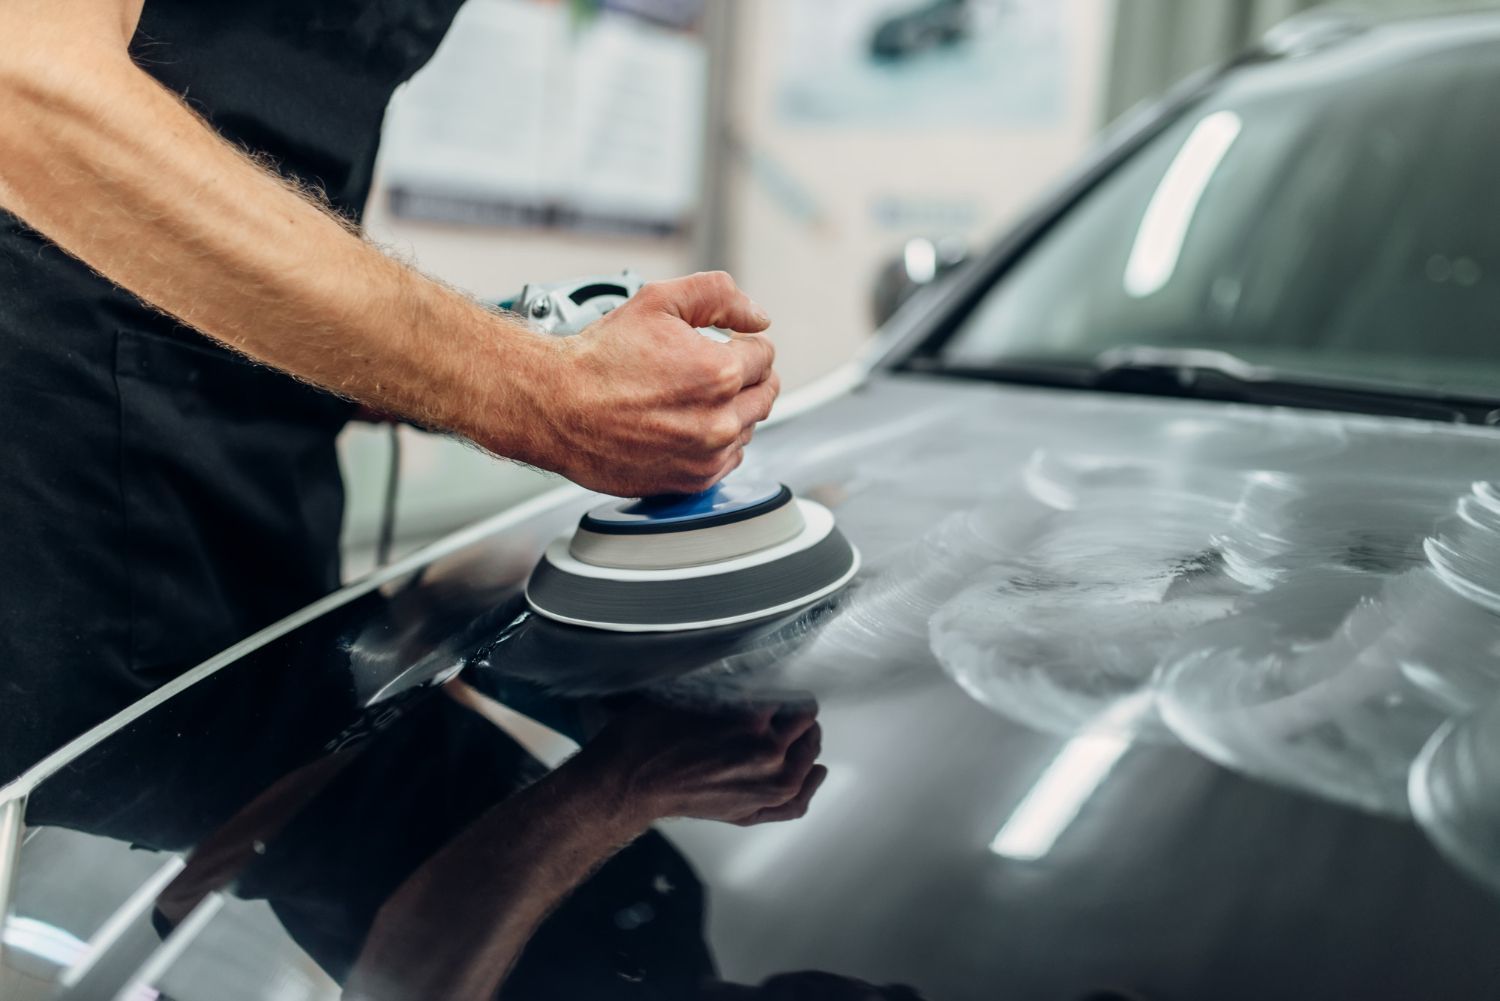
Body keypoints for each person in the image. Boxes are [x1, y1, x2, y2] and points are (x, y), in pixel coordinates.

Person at [0, 1, 779, 780]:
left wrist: (514, 342)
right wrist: (533, 390)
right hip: (58, 529)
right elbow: (24, 87)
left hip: (268, 519)